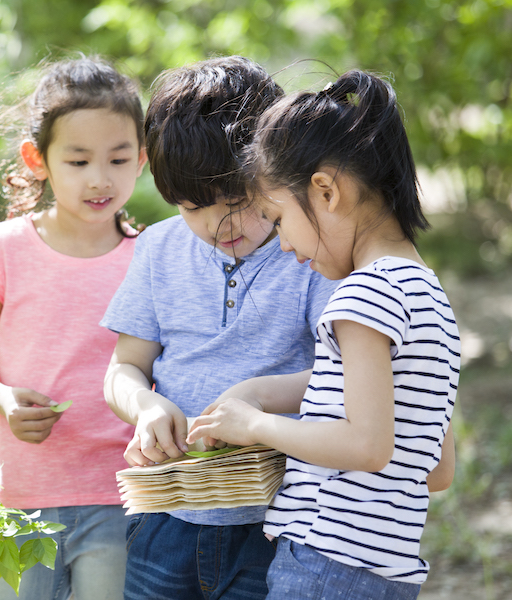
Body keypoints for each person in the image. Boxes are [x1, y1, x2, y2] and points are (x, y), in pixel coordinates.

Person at [186, 70, 461, 599]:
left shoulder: (362, 297)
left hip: (323, 562)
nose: (284, 243)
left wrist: (259, 426)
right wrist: (262, 393)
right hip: (387, 572)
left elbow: (366, 443)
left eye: (278, 216)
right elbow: (437, 467)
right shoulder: (426, 295)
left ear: (326, 191)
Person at [101, 56, 339, 600]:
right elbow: (124, 368)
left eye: (237, 200)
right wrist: (145, 406)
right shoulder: (159, 249)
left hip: (281, 519)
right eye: (193, 207)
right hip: (170, 511)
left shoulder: (309, 254)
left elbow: (343, 373)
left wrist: (257, 403)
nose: (218, 224)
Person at [0, 55, 148, 600]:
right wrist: (5, 400)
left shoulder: (150, 257)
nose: (100, 179)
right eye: (79, 161)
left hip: (119, 495)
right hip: (21, 498)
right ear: (38, 159)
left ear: (143, 160)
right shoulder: (4, 247)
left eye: (118, 158)